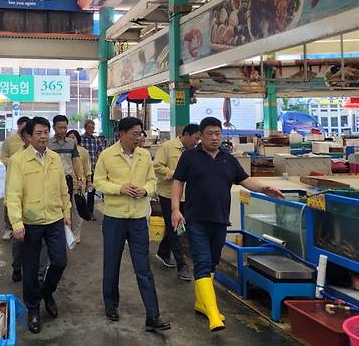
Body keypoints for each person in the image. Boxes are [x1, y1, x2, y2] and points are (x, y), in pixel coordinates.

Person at [171, 117, 284, 332]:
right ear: (201, 136)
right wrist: (176, 209)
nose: (215, 138)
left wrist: (263, 188)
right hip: (196, 219)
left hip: (220, 220)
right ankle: (214, 314)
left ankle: (201, 304)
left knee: (212, 262)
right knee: (202, 261)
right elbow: (178, 181)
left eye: (217, 133)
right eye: (210, 134)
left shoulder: (228, 159)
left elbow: (244, 179)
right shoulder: (189, 157)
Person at [94, 117, 170, 332]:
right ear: (122, 134)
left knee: (143, 267)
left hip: (138, 218)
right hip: (115, 218)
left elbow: (152, 180)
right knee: (112, 263)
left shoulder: (144, 155)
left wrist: (145, 190)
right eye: (135, 134)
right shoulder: (107, 155)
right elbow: (98, 181)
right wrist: (120, 188)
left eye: (140, 134)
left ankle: (152, 316)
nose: (139, 137)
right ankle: (111, 305)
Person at [7, 117, 71, 334]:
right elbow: (13, 195)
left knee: (60, 262)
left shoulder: (54, 158)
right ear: (29, 136)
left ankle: (47, 291)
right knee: (31, 269)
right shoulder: (18, 161)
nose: (43, 137)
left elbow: (63, 188)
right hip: (30, 223)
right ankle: (33, 309)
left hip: (54, 219)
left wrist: (67, 212)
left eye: (46, 132)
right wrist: (16, 223)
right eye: (39, 133)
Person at [153, 124, 200, 281]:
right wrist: (175, 174)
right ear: (186, 135)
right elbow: (157, 166)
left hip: (186, 195)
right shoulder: (168, 147)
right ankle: (182, 265)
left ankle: (163, 251)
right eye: (195, 138)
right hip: (168, 194)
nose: (197, 142)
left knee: (178, 226)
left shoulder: (195, 151)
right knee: (175, 227)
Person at [49, 115, 85, 242]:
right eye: (60, 128)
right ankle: (58, 233)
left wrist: (80, 179)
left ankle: (74, 234)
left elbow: (75, 161)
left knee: (73, 208)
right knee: (57, 207)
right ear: (54, 127)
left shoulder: (71, 142)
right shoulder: (48, 143)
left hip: (69, 180)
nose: (63, 130)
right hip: (53, 181)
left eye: (65, 127)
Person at [1, 116, 31, 240]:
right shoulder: (9, 140)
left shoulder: (32, 139)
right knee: (10, 200)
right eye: (22, 126)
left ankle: (24, 226)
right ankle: (9, 228)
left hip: (30, 176)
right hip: (12, 175)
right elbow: (3, 156)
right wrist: (14, 164)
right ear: (18, 126)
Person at [67, 130, 92, 231]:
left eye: (73, 138)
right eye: (69, 138)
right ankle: (68, 233)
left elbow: (87, 167)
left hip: (79, 184)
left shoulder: (83, 151)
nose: (72, 140)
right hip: (65, 184)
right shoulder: (64, 150)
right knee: (66, 210)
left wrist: (89, 181)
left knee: (77, 210)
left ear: (77, 139)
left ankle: (76, 233)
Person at [80, 119, 103, 219]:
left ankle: (90, 212)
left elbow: (100, 153)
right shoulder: (81, 139)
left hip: (93, 169)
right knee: (80, 191)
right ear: (85, 128)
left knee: (91, 191)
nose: (91, 129)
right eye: (89, 127)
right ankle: (80, 211)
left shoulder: (96, 140)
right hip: (81, 170)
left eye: (93, 127)